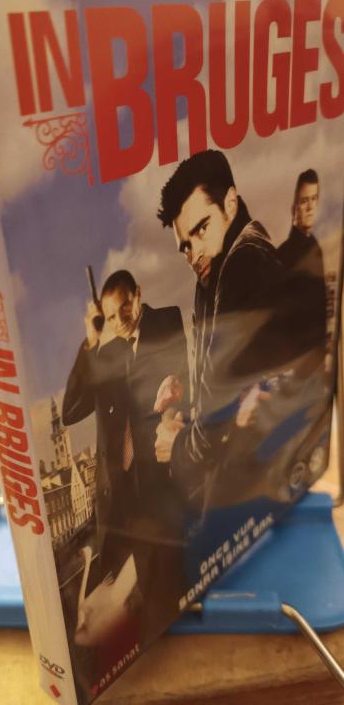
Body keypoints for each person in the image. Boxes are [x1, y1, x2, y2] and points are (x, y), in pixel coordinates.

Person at [155, 149, 288, 511]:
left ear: (230, 203)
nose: (194, 253)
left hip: (257, 477)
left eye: (202, 228)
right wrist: (186, 402)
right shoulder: (215, 271)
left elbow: (217, 418)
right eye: (185, 246)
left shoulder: (243, 261)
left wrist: (176, 447)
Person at [62, 269, 190, 642]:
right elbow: (71, 411)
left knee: (159, 600)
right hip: (116, 499)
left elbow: (174, 382)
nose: (119, 321)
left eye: (124, 309)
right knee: (112, 624)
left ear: (138, 295)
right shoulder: (107, 352)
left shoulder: (165, 322)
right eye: (110, 316)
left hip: (156, 491)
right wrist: (91, 344)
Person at [278, 169, 327, 376]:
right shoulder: (282, 255)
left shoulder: (315, 247)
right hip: (295, 366)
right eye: (304, 201)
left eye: (314, 199)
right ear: (294, 208)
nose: (310, 207)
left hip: (316, 363)